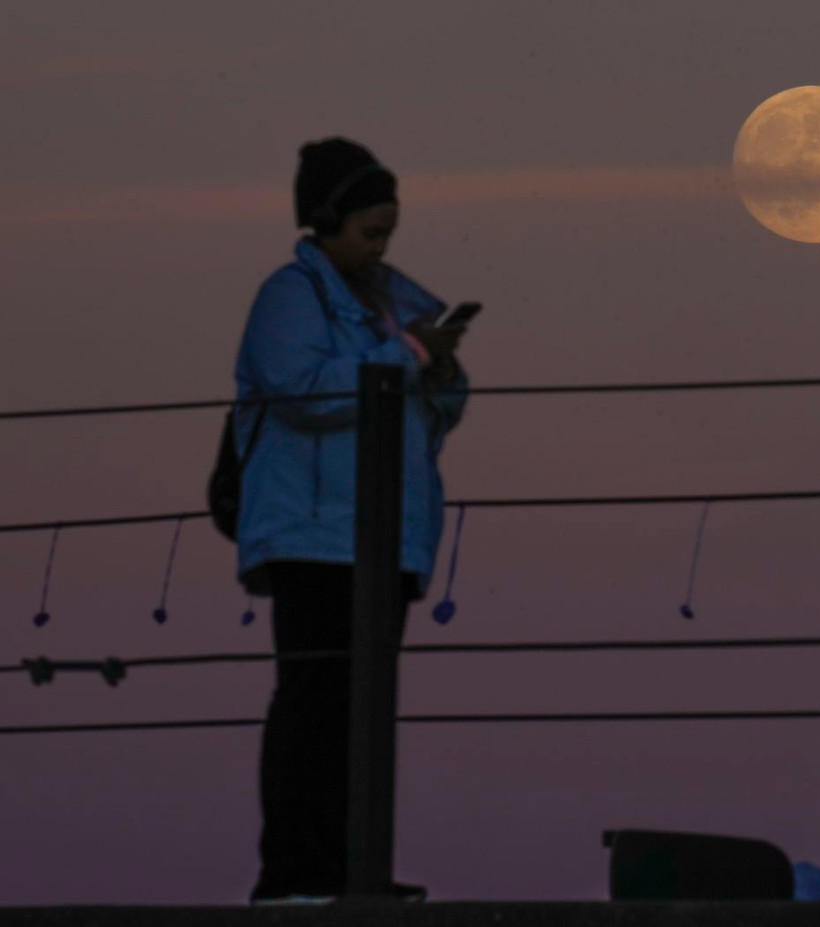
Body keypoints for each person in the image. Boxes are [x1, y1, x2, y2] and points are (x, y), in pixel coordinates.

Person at [233, 137, 471, 905]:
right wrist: (406, 353)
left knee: (363, 715)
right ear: (326, 221)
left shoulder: (395, 297)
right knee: (313, 707)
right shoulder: (287, 297)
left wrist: (439, 367)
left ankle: (353, 870)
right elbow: (305, 390)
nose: (380, 246)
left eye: (388, 231)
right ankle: (296, 875)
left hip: (383, 536)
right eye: (370, 230)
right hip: (312, 537)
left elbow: (435, 412)